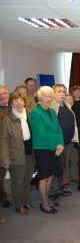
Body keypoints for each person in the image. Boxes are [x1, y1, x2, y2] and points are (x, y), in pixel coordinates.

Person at [30, 86, 64, 214]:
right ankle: (44, 204)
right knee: (44, 177)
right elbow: (41, 134)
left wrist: (60, 144)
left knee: (51, 175)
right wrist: (55, 146)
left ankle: (46, 200)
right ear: (40, 98)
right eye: (45, 96)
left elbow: (58, 129)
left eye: (50, 96)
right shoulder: (35, 113)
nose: (48, 99)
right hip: (43, 149)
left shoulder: (52, 112)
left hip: (54, 148)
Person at [0, 92, 35, 215]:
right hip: (16, 155)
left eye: (21, 100)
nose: (19, 103)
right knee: (17, 182)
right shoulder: (7, 119)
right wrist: (5, 160)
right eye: (15, 101)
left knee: (27, 180)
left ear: (24, 102)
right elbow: (3, 140)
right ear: (11, 104)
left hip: (29, 153)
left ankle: (26, 202)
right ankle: (18, 205)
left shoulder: (28, 116)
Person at [48, 84, 75, 202]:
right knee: (55, 167)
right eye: (59, 91)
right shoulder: (51, 107)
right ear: (53, 94)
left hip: (67, 142)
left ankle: (60, 189)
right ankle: (53, 192)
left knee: (62, 167)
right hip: (57, 143)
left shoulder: (66, 105)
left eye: (64, 91)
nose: (62, 94)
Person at [0, 85, 13, 215]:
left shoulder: (11, 108)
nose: (2, 96)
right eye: (0, 94)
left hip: (11, 148)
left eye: (4, 93)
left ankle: (3, 198)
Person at [62, 94, 80, 187]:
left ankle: (75, 176)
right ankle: (64, 180)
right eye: (67, 100)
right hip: (67, 139)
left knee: (75, 158)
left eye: (71, 100)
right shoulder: (63, 110)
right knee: (66, 160)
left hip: (75, 139)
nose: (69, 101)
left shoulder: (76, 110)